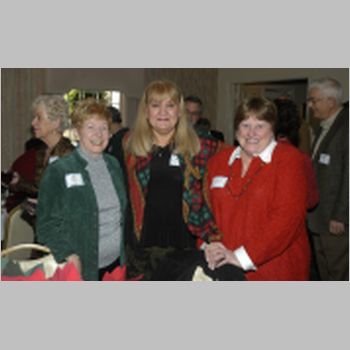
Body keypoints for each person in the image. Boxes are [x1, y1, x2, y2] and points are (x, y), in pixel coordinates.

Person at [123, 80, 242, 281]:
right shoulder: (129, 144)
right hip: (141, 246)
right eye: (155, 105)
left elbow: (242, 154)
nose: (163, 112)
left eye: (170, 105)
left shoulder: (201, 145)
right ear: (146, 111)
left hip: (185, 243)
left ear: (179, 111)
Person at [205, 96, 311, 280]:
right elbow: (205, 210)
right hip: (222, 265)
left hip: (276, 269)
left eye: (260, 125)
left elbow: (287, 219)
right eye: (245, 125)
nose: (251, 133)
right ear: (236, 129)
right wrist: (208, 245)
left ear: (272, 129)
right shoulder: (218, 162)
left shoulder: (289, 160)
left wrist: (241, 257)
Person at [36, 99, 127, 281]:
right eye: (90, 127)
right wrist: (68, 254)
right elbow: (46, 225)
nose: (98, 134)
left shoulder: (114, 164)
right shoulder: (59, 170)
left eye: (103, 128)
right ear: (77, 132)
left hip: (117, 263)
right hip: (82, 267)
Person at [7, 94, 75, 225]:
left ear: (56, 122)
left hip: (61, 233)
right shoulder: (42, 152)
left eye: (39, 118)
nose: (33, 123)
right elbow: (44, 190)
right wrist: (20, 182)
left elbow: (72, 202)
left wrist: (42, 207)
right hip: (44, 227)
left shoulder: (69, 156)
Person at [307, 77, 349, 281]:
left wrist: (340, 216)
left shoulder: (345, 127)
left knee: (338, 272)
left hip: (334, 220)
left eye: (314, 100)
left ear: (331, 101)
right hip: (320, 217)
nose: (310, 105)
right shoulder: (325, 126)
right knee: (325, 271)